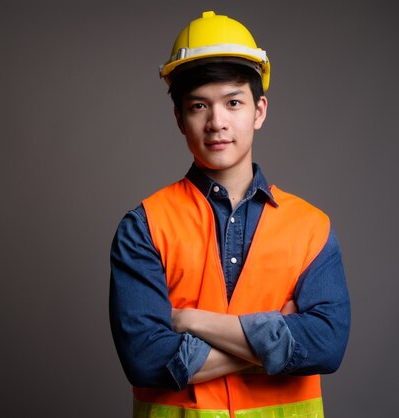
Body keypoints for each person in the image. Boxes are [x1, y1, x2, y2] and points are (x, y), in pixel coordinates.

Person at [109, 11, 350, 418]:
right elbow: (145, 358)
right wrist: (278, 333)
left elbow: (327, 345)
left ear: (258, 111)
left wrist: (188, 320)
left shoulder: (312, 228)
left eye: (233, 102)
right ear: (179, 119)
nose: (216, 122)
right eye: (199, 105)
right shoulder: (144, 226)